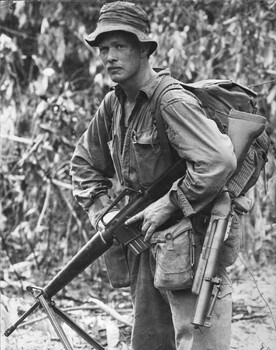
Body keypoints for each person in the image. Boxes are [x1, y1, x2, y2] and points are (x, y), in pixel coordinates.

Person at [70, 2, 239, 349]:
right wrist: (106, 212)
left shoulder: (170, 100)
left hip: (191, 243)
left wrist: (172, 202)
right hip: (146, 245)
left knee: (200, 343)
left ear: (144, 49)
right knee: (149, 343)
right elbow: (83, 163)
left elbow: (219, 160)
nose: (110, 57)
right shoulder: (114, 104)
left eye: (120, 46)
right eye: (104, 49)